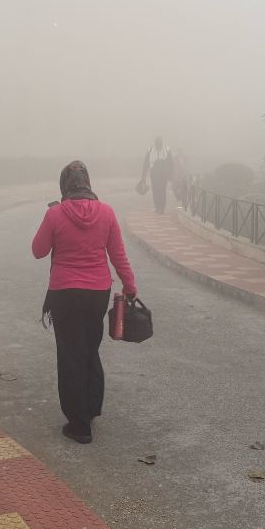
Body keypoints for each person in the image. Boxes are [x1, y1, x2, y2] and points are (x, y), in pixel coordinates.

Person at [31, 160, 138, 444]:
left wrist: (52, 218)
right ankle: (90, 410)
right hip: (97, 293)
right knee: (90, 349)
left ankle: (78, 425)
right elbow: (118, 255)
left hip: (65, 293)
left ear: (64, 185)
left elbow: (38, 251)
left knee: (70, 355)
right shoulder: (107, 212)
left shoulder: (55, 214)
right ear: (88, 183)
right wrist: (130, 286)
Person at [140, 136, 174, 214]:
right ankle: (157, 206)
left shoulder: (166, 150)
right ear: (155, 143)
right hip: (154, 174)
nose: (158, 145)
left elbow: (171, 163)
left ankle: (162, 207)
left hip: (163, 175)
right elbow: (146, 163)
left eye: (160, 143)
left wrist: (170, 175)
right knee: (155, 190)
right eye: (157, 143)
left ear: (162, 143)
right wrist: (143, 176)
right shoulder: (150, 150)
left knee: (162, 190)